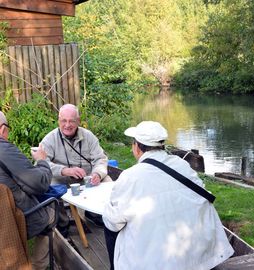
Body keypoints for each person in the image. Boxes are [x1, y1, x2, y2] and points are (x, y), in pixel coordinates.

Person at [102, 121, 234, 270]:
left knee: (109, 223)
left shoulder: (130, 176)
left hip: (156, 262)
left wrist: (107, 208)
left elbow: (114, 222)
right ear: (161, 146)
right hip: (200, 255)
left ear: (137, 147)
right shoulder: (182, 165)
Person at [0, 111, 55, 270]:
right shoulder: (4, 148)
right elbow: (39, 184)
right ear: (3, 129)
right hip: (9, 222)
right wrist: (42, 161)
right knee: (52, 212)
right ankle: (39, 266)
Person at [41, 104, 110, 229]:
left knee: (107, 181)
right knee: (49, 184)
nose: (67, 125)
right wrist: (64, 170)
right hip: (62, 180)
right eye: (64, 121)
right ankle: (62, 223)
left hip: (87, 179)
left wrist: (97, 174)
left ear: (78, 121)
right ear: (58, 121)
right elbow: (41, 164)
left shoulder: (89, 137)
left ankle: (95, 214)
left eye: (72, 121)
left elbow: (101, 158)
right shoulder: (49, 139)